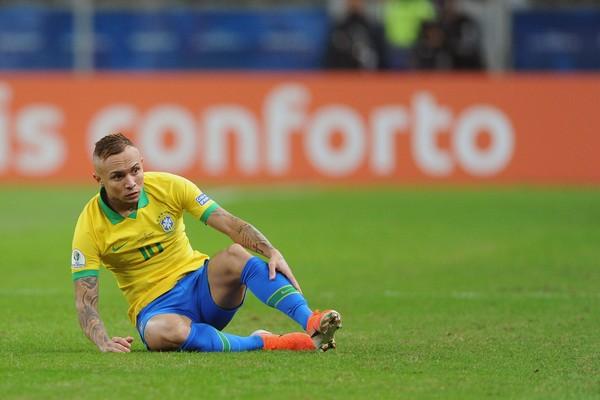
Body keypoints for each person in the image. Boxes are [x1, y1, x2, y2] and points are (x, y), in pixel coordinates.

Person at [71, 133, 342, 353]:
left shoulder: (169, 186)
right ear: (99, 180)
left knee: (236, 254)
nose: (131, 182)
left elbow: (227, 221)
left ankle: (311, 321)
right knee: (161, 333)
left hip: (205, 288)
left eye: (135, 170)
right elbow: (85, 299)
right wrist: (103, 341)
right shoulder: (89, 225)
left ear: (142, 163)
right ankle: (264, 342)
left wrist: (271, 250)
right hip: (156, 309)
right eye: (118, 177)